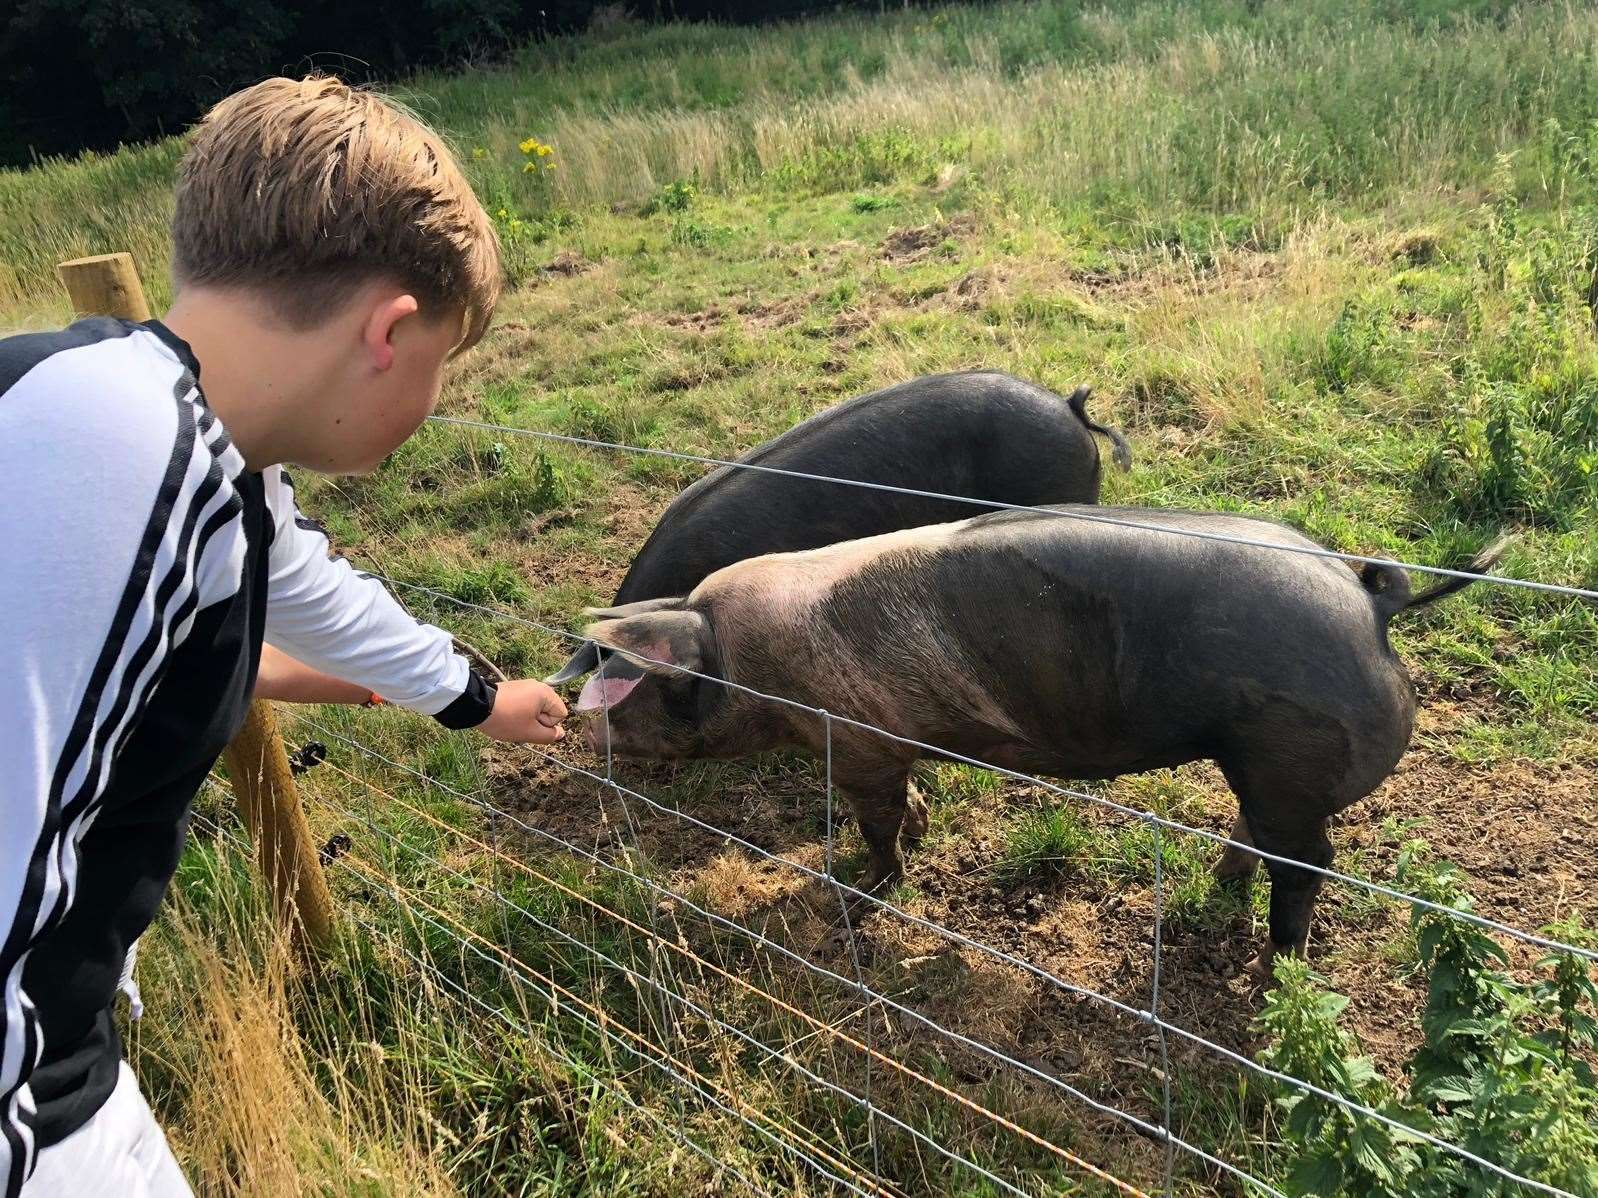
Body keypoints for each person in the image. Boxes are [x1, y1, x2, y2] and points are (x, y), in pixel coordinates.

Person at [0, 75, 569, 1196]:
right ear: (389, 330)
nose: (432, 400)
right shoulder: (145, 473)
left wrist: (476, 697)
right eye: (442, 363)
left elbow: (302, 585)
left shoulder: (113, 409)